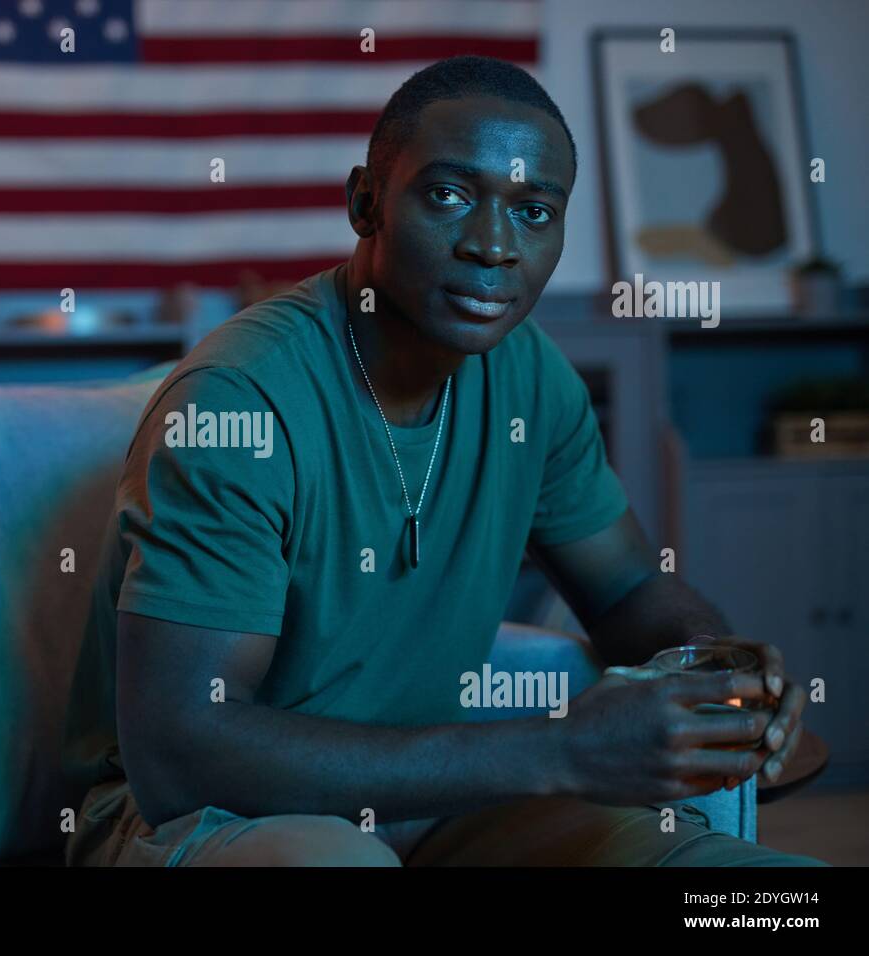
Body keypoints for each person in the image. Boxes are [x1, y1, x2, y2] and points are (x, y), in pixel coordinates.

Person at [60, 56, 824, 867]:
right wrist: (561, 749)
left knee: (739, 886)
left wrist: (712, 668)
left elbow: (630, 586)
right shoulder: (239, 404)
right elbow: (181, 754)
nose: (494, 246)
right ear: (366, 203)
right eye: (450, 195)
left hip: (430, 806)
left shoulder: (531, 379)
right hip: (205, 821)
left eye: (534, 210)